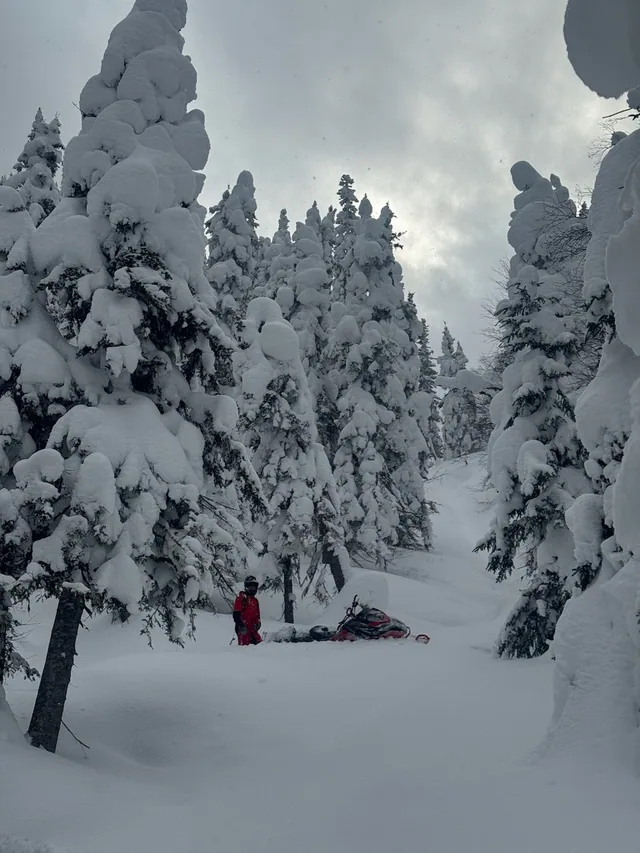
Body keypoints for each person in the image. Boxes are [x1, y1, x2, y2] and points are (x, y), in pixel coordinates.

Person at [233, 576, 262, 645]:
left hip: (252, 629)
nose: (252, 589)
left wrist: (258, 623)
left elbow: (257, 616)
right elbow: (236, 614)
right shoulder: (241, 598)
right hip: (243, 629)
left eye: (253, 587)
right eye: (250, 587)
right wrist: (241, 625)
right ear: (246, 587)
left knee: (260, 644)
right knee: (245, 647)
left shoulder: (255, 601)